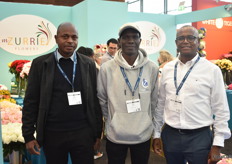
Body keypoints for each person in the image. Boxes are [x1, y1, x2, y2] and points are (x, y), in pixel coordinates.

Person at [22, 22, 103, 164]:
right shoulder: (41, 64)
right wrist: (28, 135)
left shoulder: (88, 64)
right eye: (65, 36)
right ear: (56, 38)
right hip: (53, 133)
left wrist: (97, 133)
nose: (70, 41)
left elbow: (94, 101)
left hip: (83, 132)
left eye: (74, 37)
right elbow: (31, 101)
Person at [153, 25, 231, 164]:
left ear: (198, 42)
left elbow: (221, 109)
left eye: (191, 37)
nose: (185, 41)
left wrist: (217, 144)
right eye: (181, 38)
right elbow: (161, 104)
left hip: (199, 137)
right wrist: (157, 134)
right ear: (176, 43)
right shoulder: (167, 69)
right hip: (171, 135)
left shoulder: (211, 70)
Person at [97, 22, 159, 164]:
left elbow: (154, 100)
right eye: (125, 37)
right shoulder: (107, 68)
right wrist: (112, 121)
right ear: (119, 41)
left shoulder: (152, 68)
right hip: (116, 135)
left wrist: (152, 126)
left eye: (134, 37)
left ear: (140, 41)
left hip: (143, 134)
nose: (130, 41)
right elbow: (102, 98)